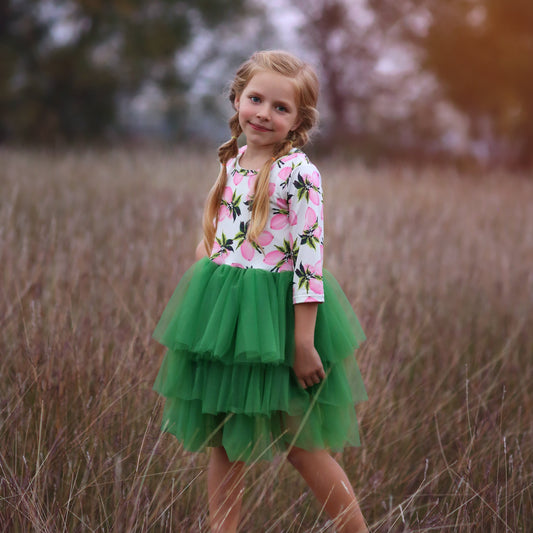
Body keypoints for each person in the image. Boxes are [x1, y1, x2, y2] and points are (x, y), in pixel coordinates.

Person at [152, 50, 368, 532]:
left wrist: (303, 340)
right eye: (255, 99)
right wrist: (203, 309)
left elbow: (309, 260)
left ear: (298, 121)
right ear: (237, 98)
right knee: (226, 441)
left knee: (300, 441)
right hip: (226, 316)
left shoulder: (300, 173)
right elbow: (219, 237)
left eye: (280, 108)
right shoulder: (233, 158)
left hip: (279, 319)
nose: (264, 114)